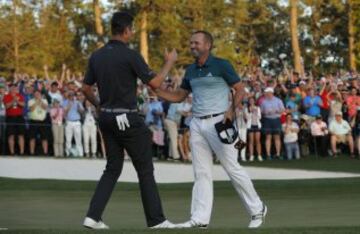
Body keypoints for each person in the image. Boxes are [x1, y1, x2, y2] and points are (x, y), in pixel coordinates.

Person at [154, 30, 266, 229]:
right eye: (191, 43)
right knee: (201, 173)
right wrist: (158, 91)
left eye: (196, 43)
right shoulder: (190, 70)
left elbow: (240, 89)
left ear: (208, 45)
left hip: (220, 123)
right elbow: (180, 96)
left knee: (232, 168)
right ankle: (200, 218)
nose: (192, 46)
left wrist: (231, 111)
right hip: (197, 123)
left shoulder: (221, 65)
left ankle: (257, 209)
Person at [81, 12, 178, 229]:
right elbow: (155, 83)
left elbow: (85, 89)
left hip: (106, 117)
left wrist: (98, 105)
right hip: (125, 117)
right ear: (126, 30)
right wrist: (169, 63)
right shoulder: (130, 55)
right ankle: (156, 220)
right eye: (132, 29)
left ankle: (92, 216)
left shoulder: (96, 56)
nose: (132, 32)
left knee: (113, 167)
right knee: (144, 169)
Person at [259, 87, 285, 160]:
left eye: (268, 93)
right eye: (266, 93)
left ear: (272, 93)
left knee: (277, 137)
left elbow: (283, 109)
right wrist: (265, 112)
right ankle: (268, 154)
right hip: (267, 119)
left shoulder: (278, 100)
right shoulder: (263, 101)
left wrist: (277, 111)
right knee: (268, 137)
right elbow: (261, 112)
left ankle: (278, 154)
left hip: (276, 119)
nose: (267, 94)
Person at [3, 84, 26, 155]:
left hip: (19, 117)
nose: (13, 89)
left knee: (21, 135)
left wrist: (17, 101)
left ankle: (22, 152)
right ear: (9, 89)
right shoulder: (6, 96)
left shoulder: (20, 96)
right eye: (12, 88)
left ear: (16, 89)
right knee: (11, 135)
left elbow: (23, 105)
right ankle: (12, 152)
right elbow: (6, 106)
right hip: (10, 118)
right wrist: (13, 100)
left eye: (15, 88)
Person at [28, 90, 49, 155]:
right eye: (35, 94)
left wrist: (40, 101)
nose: (37, 95)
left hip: (42, 121)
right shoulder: (30, 101)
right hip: (33, 121)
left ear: (40, 94)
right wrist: (36, 102)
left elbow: (45, 107)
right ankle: (32, 153)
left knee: (44, 138)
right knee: (32, 138)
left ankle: (45, 153)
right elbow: (31, 109)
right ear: (34, 95)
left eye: (38, 94)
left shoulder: (44, 100)